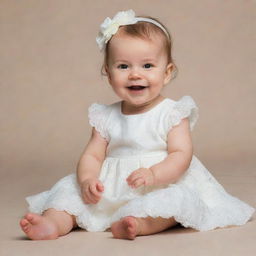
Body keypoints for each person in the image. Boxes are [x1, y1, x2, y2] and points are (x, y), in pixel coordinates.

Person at [20, 9, 255, 240]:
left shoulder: (172, 113)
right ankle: (54, 223)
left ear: (167, 72)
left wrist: (154, 174)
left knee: (173, 201)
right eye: (123, 66)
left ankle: (137, 223)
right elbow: (92, 156)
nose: (135, 74)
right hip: (111, 188)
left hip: (159, 183)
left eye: (147, 66)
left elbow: (181, 154)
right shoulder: (105, 116)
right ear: (109, 74)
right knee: (68, 191)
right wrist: (88, 179)